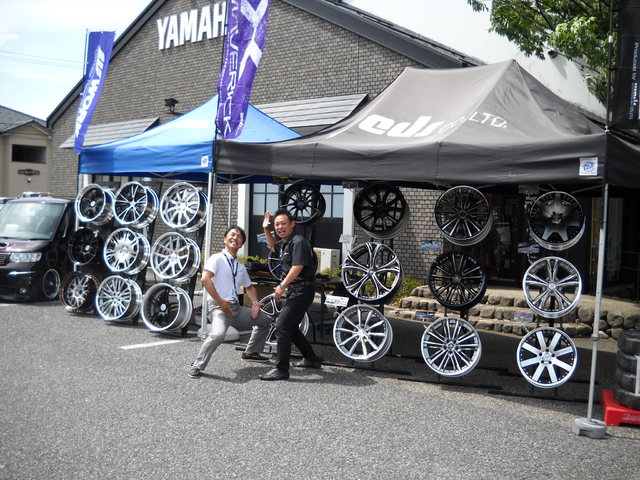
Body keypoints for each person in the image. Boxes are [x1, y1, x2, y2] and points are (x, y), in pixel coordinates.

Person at [188, 226, 272, 378]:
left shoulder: (240, 266)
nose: (235, 238)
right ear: (225, 239)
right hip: (218, 307)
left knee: (265, 320)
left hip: (235, 308)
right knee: (218, 334)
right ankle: (197, 365)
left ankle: (251, 352)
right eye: (232, 235)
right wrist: (221, 302)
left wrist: (255, 303)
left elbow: (249, 287)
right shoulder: (216, 259)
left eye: (239, 237)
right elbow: (205, 279)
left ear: (242, 243)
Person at [259, 209, 322, 381]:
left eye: (283, 223)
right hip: (296, 290)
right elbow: (273, 247)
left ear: (292, 224)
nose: (280, 227)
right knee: (291, 328)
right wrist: (266, 229)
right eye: (277, 224)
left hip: (302, 291)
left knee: (281, 327)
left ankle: (281, 369)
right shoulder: (285, 243)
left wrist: (282, 286)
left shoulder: (298, 242)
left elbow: (297, 266)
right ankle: (311, 359)